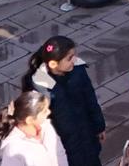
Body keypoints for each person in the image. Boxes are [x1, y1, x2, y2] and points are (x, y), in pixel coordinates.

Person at [21, 36, 105, 166]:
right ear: (53, 64)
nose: (74, 60)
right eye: (69, 58)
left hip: (86, 133)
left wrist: (99, 126)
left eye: (74, 55)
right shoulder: (40, 85)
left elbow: (90, 99)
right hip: (63, 143)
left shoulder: (78, 70)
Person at [0, 91, 65, 166]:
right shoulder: (13, 150)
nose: (49, 112)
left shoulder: (46, 127)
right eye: (44, 111)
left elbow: (59, 152)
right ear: (30, 120)